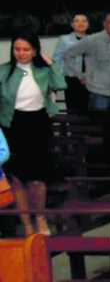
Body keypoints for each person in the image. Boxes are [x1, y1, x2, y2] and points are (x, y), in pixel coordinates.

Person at [1, 36, 65, 235]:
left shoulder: (43, 70)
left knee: (37, 179)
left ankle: (41, 218)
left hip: (38, 124)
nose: (20, 53)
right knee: (17, 179)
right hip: (12, 125)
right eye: (17, 49)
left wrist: (51, 64)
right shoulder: (4, 70)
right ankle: (27, 225)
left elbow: (61, 84)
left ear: (35, 51)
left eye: (26, 49)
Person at [61, 12, 110, 112]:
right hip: (99, 95)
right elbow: (68, 54)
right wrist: (79, 75)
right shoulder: (92, 40)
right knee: (98, 126)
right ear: (105, 24)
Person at [55, 13, 91, 112]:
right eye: (77, 21)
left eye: (84, 21)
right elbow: (57, 59)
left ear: (88, 25)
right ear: (72, 24)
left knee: (88, 111)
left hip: (90, 80)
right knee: (73, 110)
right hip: (72, 79)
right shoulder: (64, 39)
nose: (80, 23)